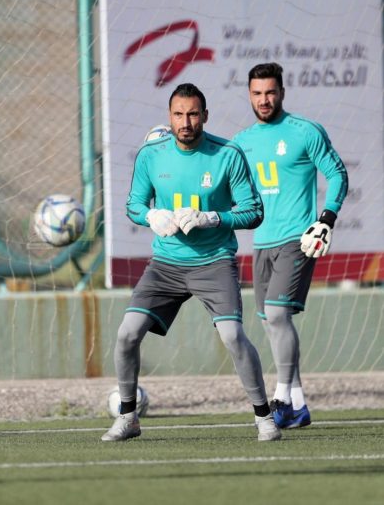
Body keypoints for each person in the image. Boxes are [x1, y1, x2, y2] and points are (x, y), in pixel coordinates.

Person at [102, 83, 281, 443]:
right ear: (169, 117)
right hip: (165, 265)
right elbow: (134, 204)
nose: (186, 122)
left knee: (233, 336)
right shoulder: (151, 155)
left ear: (205, 116)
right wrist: (151, 216)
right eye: (179, 114)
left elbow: (254, 211)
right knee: (126, 334)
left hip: (214, 262)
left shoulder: (227, 154)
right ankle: (128, 417)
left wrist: (212, 218)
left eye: (193, 114)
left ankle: (264, 417)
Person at [233, 62, 348, 429]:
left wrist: (326, 219)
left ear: (282, 92)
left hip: (298, 238)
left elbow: (337, 174)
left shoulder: (305, 131)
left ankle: (281, 398)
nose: (264, 99)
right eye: (257, 93)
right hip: (261, 241)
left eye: (270, 92)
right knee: (270, 322)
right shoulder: (241, 142)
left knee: (278, 315)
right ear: (249, 95)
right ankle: (297, 405)